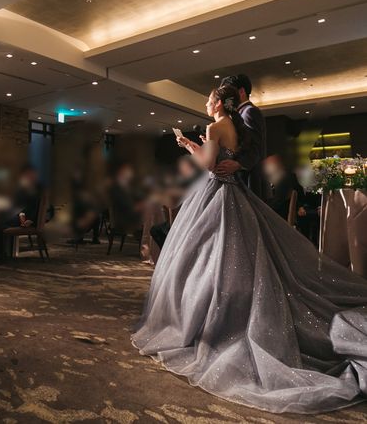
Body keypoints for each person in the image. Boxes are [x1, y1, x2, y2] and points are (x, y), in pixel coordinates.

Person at [132, 84, 367, 414]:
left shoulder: (215, 126)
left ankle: (209, 321)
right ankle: (223, 310)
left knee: (210, 256)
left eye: (209, 98)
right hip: (233, 193)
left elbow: (208, 166)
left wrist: (190, 147)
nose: (206, 102)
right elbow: (225, 159)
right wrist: (193, 145)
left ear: (218, 103)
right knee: (232, 256)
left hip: (216, 193)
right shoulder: (234, 126)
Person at [215, 74, 267, 199]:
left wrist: (238, 164)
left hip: (249, 181)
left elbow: (255, 147)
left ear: (241, 91)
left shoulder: (249, 111)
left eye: (229, 93)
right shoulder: (238, 113)